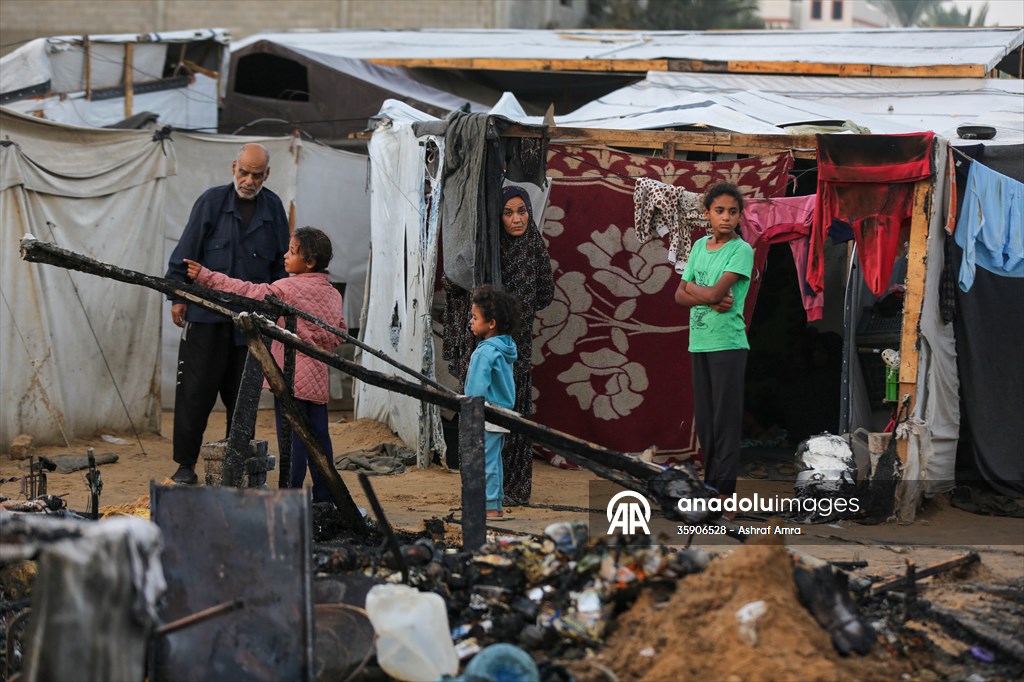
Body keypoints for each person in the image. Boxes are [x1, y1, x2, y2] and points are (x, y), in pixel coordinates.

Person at [184, 227, 344, 502]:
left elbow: (248, 291)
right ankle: (325, 497)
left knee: (292, 444)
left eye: (292, 252)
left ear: (309, 262)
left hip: (290, 379)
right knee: (320, 440)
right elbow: (338, 332)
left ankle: (289, 496)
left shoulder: (286, 289)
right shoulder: (333, 294)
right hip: (317, 381)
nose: (285, 255)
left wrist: (208, 278)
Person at [164, 143, 290, 485]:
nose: (248, 180)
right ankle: (185, 465)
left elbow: (282, 264)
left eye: (256, 175)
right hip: (206, 318)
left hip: (250, 323)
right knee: (194, 393)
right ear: (233, 167)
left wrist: (279, 305)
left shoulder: (274, 208)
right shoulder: (211, 202)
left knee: (243, 396)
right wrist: (178, 297)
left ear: (267, 174)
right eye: (243, 172)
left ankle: (237, 466)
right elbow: (185, 254)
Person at [443, 185, 554, 505]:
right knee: (480, 411)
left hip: (516, 348)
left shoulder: (534, 245)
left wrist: (518, 310)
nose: (517, 219)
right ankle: (482, 490)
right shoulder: (486, 249)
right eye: (509, 213)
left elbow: (546, 292)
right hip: (483, 343)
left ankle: (513, 490)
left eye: (522, 212)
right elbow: (454, 280)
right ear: (498, 216)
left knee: (513, 413)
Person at [674, 183, 754, 515]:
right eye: (719, 211)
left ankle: (726, 494)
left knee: (725, 421)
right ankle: (710, 487)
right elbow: (679, 296)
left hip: (729, 344)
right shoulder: (697, 247)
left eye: (732, 212)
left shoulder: (741, 250)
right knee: (706, 422)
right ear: (706, 214)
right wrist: (698, 291)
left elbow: (707, 293)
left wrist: (695, 289)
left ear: (739, 216)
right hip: (700, 343)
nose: (726, 217)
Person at [463, 285, 521, 520]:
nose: (471, 321)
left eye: (475, 317)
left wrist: (467, 409)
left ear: (491, 324)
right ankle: (494, 505)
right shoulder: (506, 348)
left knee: (482, 462)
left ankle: (487, 508)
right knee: (493, 461)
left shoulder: (484, 353)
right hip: (502, 412)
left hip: (484, 414)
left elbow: (475, 390)